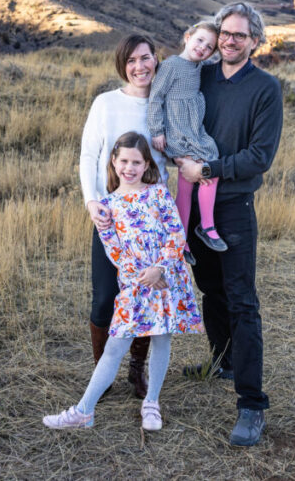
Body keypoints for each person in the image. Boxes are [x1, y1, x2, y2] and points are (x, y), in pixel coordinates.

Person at [176, 2, 283, 447]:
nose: (230, 40)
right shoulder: (200, 77)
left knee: (242, 302)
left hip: (233, 206)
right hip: (192, 205)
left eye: (240, 34)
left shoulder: (265, 88)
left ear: (255, 41)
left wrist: (208, 169)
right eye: (225, 32)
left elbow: (260, 156)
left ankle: (252, 404)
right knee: (210, 290)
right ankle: (223, 362)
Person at [45, 132, 204, 430]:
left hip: (166, 277)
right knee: (115, 347)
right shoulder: (106, 206)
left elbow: (176, 233)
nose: (129, 168)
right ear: (114, 162)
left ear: (146, 165)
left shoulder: (158, 194)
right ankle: (83, 411)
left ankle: (152, 403)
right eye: (124, 161)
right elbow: (115, 251)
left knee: (161, 338)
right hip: (136, 284)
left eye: (136, 162)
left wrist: (160, 268)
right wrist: (143, 277)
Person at [79, 34, 167, 399]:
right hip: (110, 220)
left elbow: (178, 158)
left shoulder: (165, 105)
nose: (139, 67)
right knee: (105, 299)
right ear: (122, 65)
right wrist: (91, 201)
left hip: (150, 224)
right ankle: (102, 373)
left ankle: (136, 368)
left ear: (156, 59)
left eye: (145, 58)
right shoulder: (106, 103)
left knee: (144, 296)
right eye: (131, 60)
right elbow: (88, 155)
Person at [147, 20, 224, 264]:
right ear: (188, 37)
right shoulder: (171, 65)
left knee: (193, 181)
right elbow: (156, 97)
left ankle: (182, 239)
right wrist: (157, 131)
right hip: (178, 131)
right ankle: (206, 226)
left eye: (209, 47)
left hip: (194, 131)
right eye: (200, 40)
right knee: (206, 172)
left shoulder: (199, 66)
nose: (203, 48)